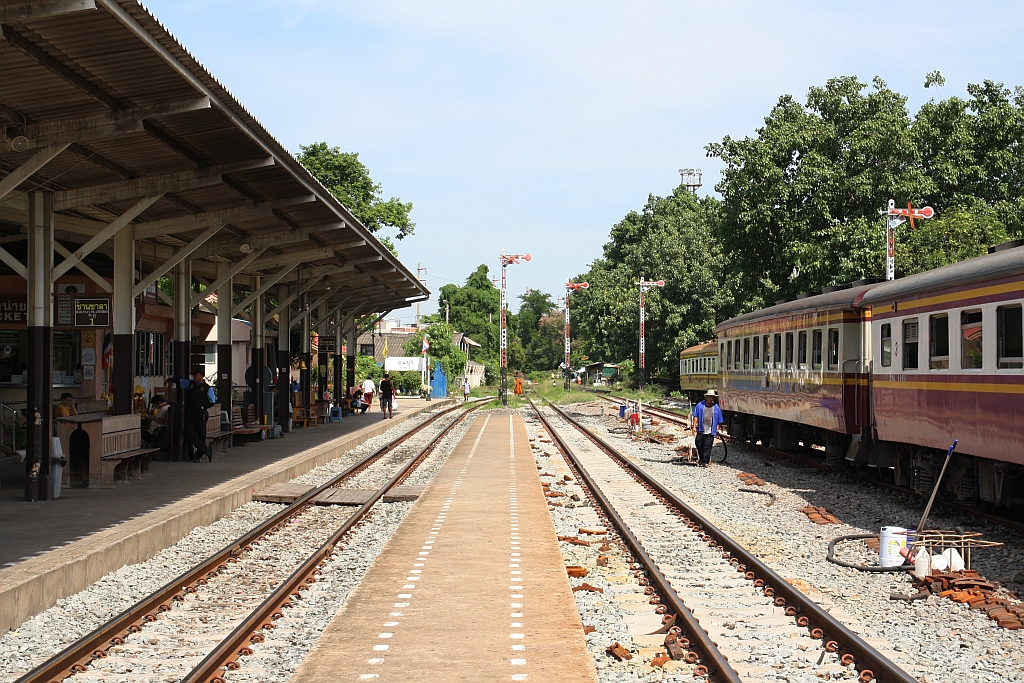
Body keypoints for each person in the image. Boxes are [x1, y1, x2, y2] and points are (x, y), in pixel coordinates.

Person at [184, 369, 214, 462]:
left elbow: (212, 401)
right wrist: (170, 380)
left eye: (196, 375)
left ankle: (198, 455)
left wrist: (202, 407)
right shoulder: (191, 384)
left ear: (201, 376)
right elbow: (180, 382)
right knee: (190, 434)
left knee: (201, 435)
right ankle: (205, 450)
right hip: (191, 414)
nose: (194, 377)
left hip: (201, 414)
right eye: (193, 376)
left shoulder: (207, 388)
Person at [691, 389, 723, 468]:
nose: (711, 399)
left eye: (712, 397)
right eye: (710, 397)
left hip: (710, 430)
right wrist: (694, 427)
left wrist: (717, 428)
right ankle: (702, 458)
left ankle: (705, 461)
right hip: (701, 428)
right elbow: (696, 417)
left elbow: (718, 420)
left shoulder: (716, 407)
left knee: (707, 445)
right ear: (706, 397)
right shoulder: (700, 405)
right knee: (698, 443)